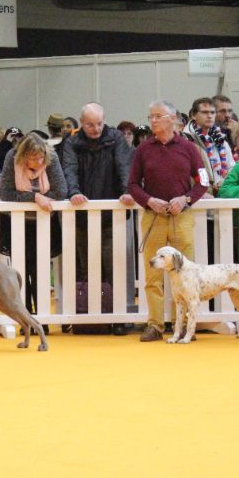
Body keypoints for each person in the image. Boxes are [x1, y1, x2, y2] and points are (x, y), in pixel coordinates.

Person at [127, 100, 209, 342]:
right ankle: (154, 325)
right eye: (151, 116)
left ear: (173, 119)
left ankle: (181, 326)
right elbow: (132, 184)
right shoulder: (142, 150)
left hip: (181, 218)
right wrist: (149, 200)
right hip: (154, 218)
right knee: (152, 275)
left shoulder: (189, 148)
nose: (152, 120)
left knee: (185, 274)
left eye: (158, 116)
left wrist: (185, 199)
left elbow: (203, 181)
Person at [61, 103, 136, 335]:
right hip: (82, 214)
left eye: (99, 123)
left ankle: (119, 317)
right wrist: (73, 191)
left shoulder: (116, 139)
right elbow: (69, 169)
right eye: (90, 124)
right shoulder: (71, 143)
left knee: (115, 265)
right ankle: (88, 315)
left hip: (113, 212)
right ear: (81, 123)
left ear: (105, 120)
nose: (95, 129)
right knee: (86, 266)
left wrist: (127, 191)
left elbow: (125, 167)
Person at [0, 132, 67, 323]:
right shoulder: (12, 158)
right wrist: (36, 197)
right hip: (16, 224)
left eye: (40, 157)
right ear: (23, 156)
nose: (38, 161)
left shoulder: (51, 158)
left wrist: (38, 199)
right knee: (19, 272)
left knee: (41, 271)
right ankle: (25, 318)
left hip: (44, 224)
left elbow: (61, 191)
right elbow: (5, 192)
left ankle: (42, 319)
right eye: (33, 157)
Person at [184, 97, 234, 194]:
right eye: (204, 112)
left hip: (221, 192)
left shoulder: (221, 139)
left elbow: (231, 167)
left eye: (212, 112)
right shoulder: (186, 139)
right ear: (194, 115)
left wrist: (224, 182)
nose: (209, 116)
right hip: (197, 194)